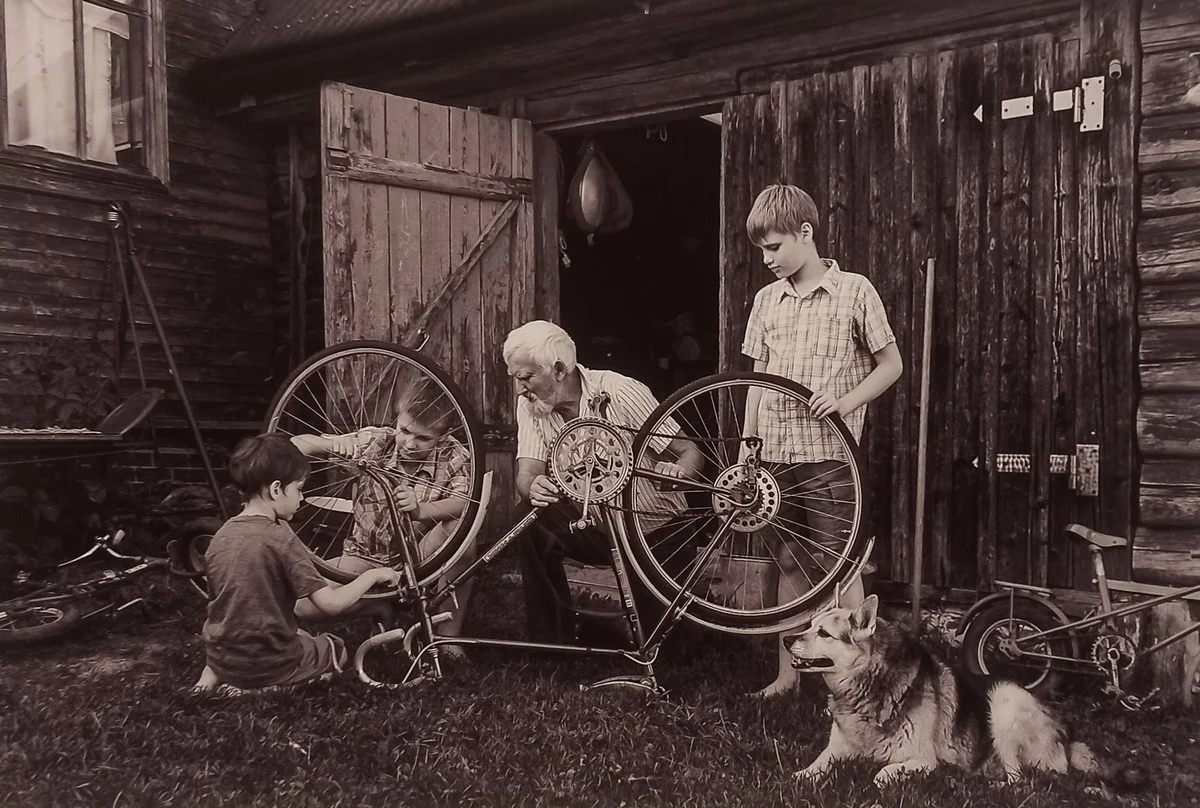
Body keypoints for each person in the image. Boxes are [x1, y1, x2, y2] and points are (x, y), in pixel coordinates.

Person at [740, 184, 903, 698]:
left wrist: (847, 401)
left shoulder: (855, 291)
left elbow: (892, 365)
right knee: (788, 559)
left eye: (774, 247)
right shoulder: (767, 300)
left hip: (830, 457)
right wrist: (748, 443)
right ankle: (788, 675)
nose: (767, 260)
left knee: (841, 563)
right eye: (761, 250)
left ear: (805, 234)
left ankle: (858, 678)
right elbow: (757, 378)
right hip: (775, 455)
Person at [504, 319, 705, 649]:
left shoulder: (621, 391)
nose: (519, 389)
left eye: (526, 377)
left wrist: (679, 473)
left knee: (663, 646)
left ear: (558, 370)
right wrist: (532, 486)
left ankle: (649, 623)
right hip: (599, 528)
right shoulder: (531, 406)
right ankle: (554, 642)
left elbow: (690, 452)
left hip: (657, 534)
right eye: (515, 378)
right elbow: (526, 472)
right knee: (527, 516)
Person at [192, 434, 399, 694]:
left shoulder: (220, 537)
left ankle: (209, 680)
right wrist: (373, 575)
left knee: (283, 631)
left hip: (222, 655)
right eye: (299, 489)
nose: (301, 499)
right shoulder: (283, 539)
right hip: (269, 661)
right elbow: (331, 605)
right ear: (276, 489)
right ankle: (269, 687)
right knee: (337, 649)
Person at [290, 378, 476, 652]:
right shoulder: (376, 442)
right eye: (405, 430)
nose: (410, 443)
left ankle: (447, 637)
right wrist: (325, 445)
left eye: (423, 438)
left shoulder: (454, 455)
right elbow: (295, 446)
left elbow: (464, 502)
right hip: (366, 556)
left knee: (463, 536)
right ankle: (380, 606)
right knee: (302, 605)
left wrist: (420, 510)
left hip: (421, 557)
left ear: (444, 435)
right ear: (397, 419)